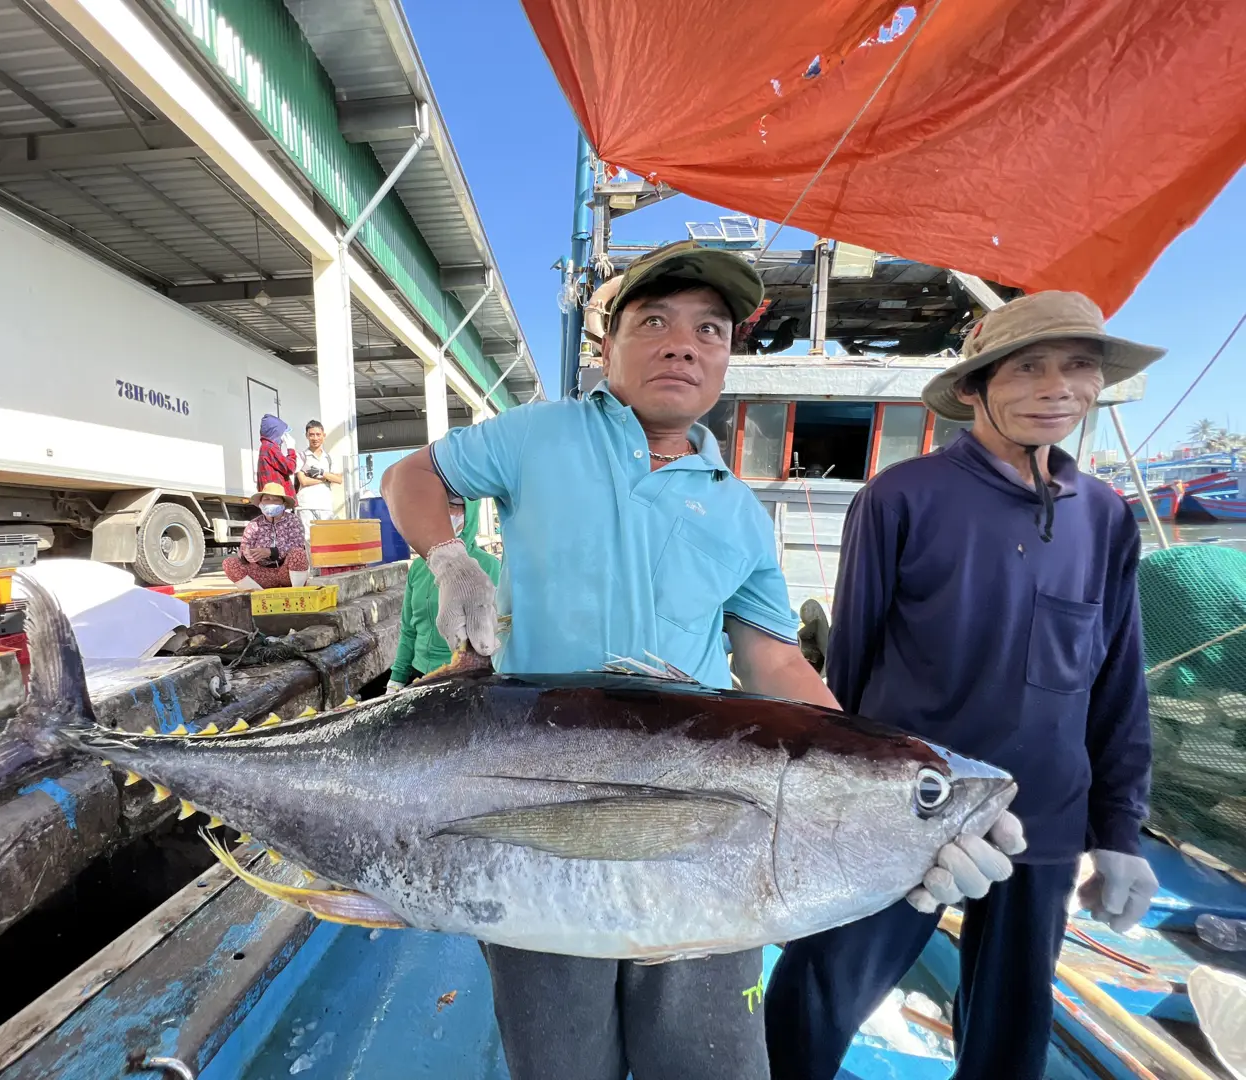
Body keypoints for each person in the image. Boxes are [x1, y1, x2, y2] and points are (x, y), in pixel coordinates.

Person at [381, 239, 1023, 1080]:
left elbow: (775, 667)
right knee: (560, 1057)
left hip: (699, 823)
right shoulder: (541, 435)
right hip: (541, 792)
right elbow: (411, 477)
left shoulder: (741, 512)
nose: (683, 343)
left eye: (710, 330)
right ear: (608, 348)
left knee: (707, 1060)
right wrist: (447, 556)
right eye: (655, 321)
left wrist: (899, 796)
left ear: (725, 358)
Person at [761, 290, 1163, 1080]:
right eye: (1028, 368)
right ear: (977, 386)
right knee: (815, 998)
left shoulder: (1107, 516)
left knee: (1012, 1030)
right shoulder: (900, 497)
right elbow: (851, 674)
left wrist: (1119, 832)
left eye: (1079, 366)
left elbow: (1116, 680)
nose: (1058, 387)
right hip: (907, 808)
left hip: (1045, 816)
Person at [386, 497, 499, 693]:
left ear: (471, 512)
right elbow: (409, 629)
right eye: (440, 504)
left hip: (464, 680)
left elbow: (499, 629)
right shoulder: (419, 566)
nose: (446, 512)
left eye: (456, 506)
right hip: (418, 676)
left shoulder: (490, 565)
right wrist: (396, 679)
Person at [222, 482, 308, 590]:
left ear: (283, 504)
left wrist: (271, 552)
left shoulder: (293, 520)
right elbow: (244, 546)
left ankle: (297, 592)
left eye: (276, 500)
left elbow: (298, 544)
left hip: (286, 572)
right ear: (260, 504)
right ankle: (259, 596)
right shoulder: (254, 524)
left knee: (298, 553)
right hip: (262, 574)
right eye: (266, 499)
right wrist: (246, 555)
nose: (271, 502)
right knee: (229, 563)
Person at [294, 419, 340, 534]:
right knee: (308, 540)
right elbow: (303, 481)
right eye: (311, 435)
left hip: (325, 506)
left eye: (318, 434)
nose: (315, 438)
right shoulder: (301, 456)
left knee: (327, 540)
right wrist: (326, 479)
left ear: (323, 436)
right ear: (307, 436)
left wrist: (322, 473)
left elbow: (339, 479)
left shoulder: (329, 458)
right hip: (305, 505)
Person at [256, 414, 299, 500]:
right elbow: (290, 467)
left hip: (272, 497)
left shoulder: (266, 446)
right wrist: (291, 449)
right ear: (276, 432)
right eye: (283, 433)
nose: (283, 438)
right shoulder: (270, 447)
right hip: (276, 498)